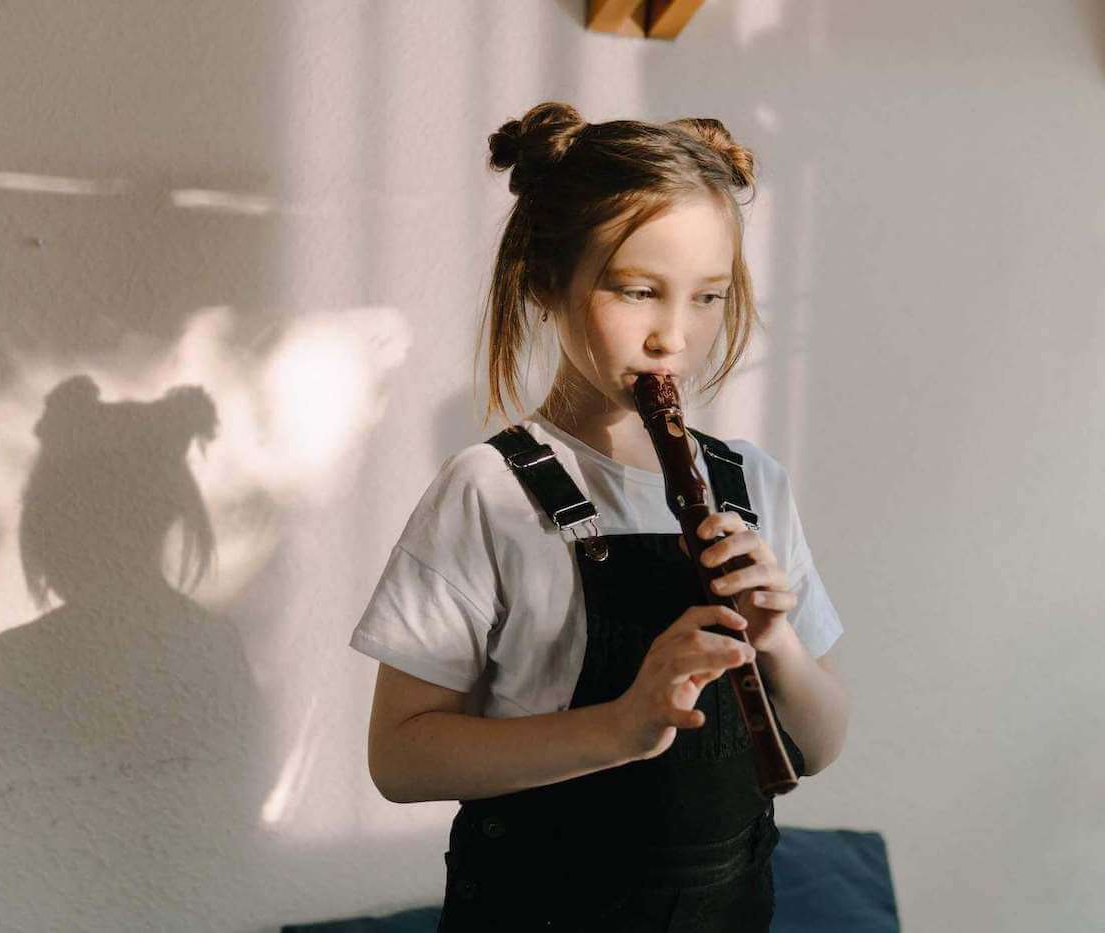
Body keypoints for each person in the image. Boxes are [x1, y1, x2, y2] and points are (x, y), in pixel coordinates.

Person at [349, 101, 850, 931]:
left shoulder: (751, 482)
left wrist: (777, 640)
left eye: (709, 297)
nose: (674, 338)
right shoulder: (488, 491)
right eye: (640, 291)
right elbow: (398, 757)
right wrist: (622, 725)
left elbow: (821, 745)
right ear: (547, 279)